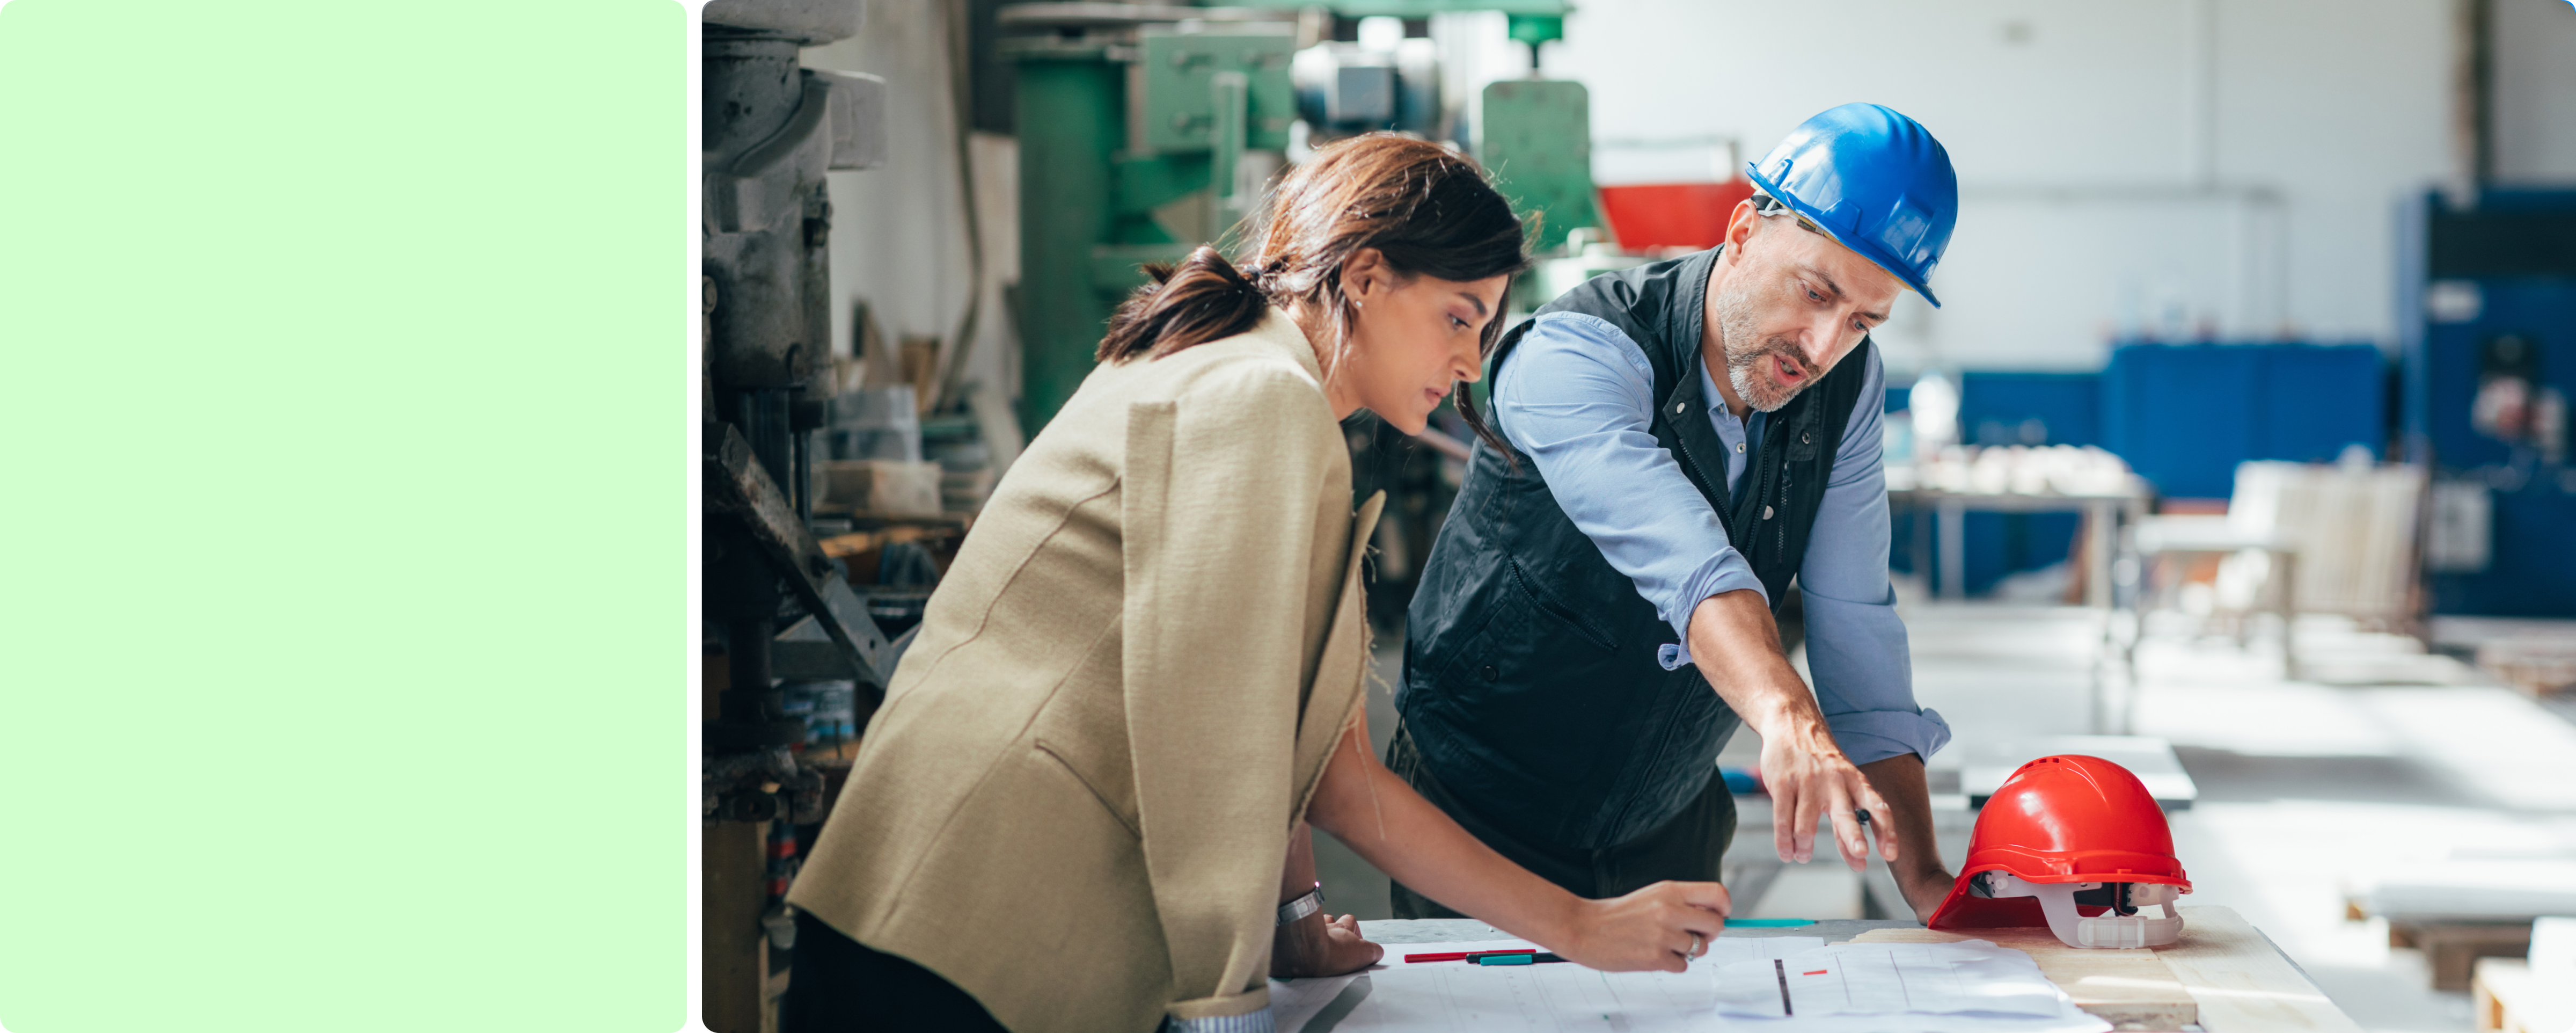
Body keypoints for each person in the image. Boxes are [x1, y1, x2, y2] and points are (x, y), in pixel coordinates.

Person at [781, 134, 1734, 1033]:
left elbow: (1287, 727)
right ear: (1365, 277)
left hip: (959, 906)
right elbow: (1214, 741)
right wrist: (1573, 926)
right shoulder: (1261, 399)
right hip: (964, 922)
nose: (1469, 363)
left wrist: (1298, 917)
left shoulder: (1246, 376)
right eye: (1458, 317)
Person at [1393, 104, 1964, 922]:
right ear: (1742, 233)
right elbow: (1689, 562)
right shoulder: (1575, 352)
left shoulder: (1849, 384)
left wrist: (1929, 881)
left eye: (1863, 321)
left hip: (1664, 819)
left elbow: (1856, 625)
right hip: (1481, 815)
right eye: (1815, 291)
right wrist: (1783, 711)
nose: (1823, 344)